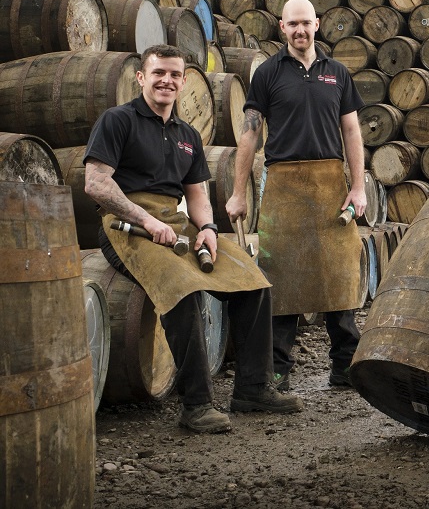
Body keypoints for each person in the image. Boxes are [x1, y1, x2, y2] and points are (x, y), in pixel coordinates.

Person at [84, 45, 302, 434]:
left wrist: (206, 229)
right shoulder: (118, 120)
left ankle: (253, 390)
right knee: (181, 288)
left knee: (253, 282)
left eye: (174, 74)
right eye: (158, 73)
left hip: (176, 222)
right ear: (141, 77)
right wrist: (147, 220)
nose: (166, 80)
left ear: (183, 82)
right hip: (125, 226)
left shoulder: (187, 135)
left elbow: (197, 195)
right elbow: (96, 183)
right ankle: (196, 405)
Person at [226, 0, 367, 392]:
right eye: (293, 24)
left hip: (329, 183)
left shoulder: (337, 73)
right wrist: (239, 193)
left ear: (317, 24)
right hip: (283, 185)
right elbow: (250, 134)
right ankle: (276, 372)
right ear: (282, 27)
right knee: (281, 282)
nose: (300, 30)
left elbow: (352, 132)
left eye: (306, 22)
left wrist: (357, 186)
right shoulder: (268, 73)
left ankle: (344, 367)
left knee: (339, 277)